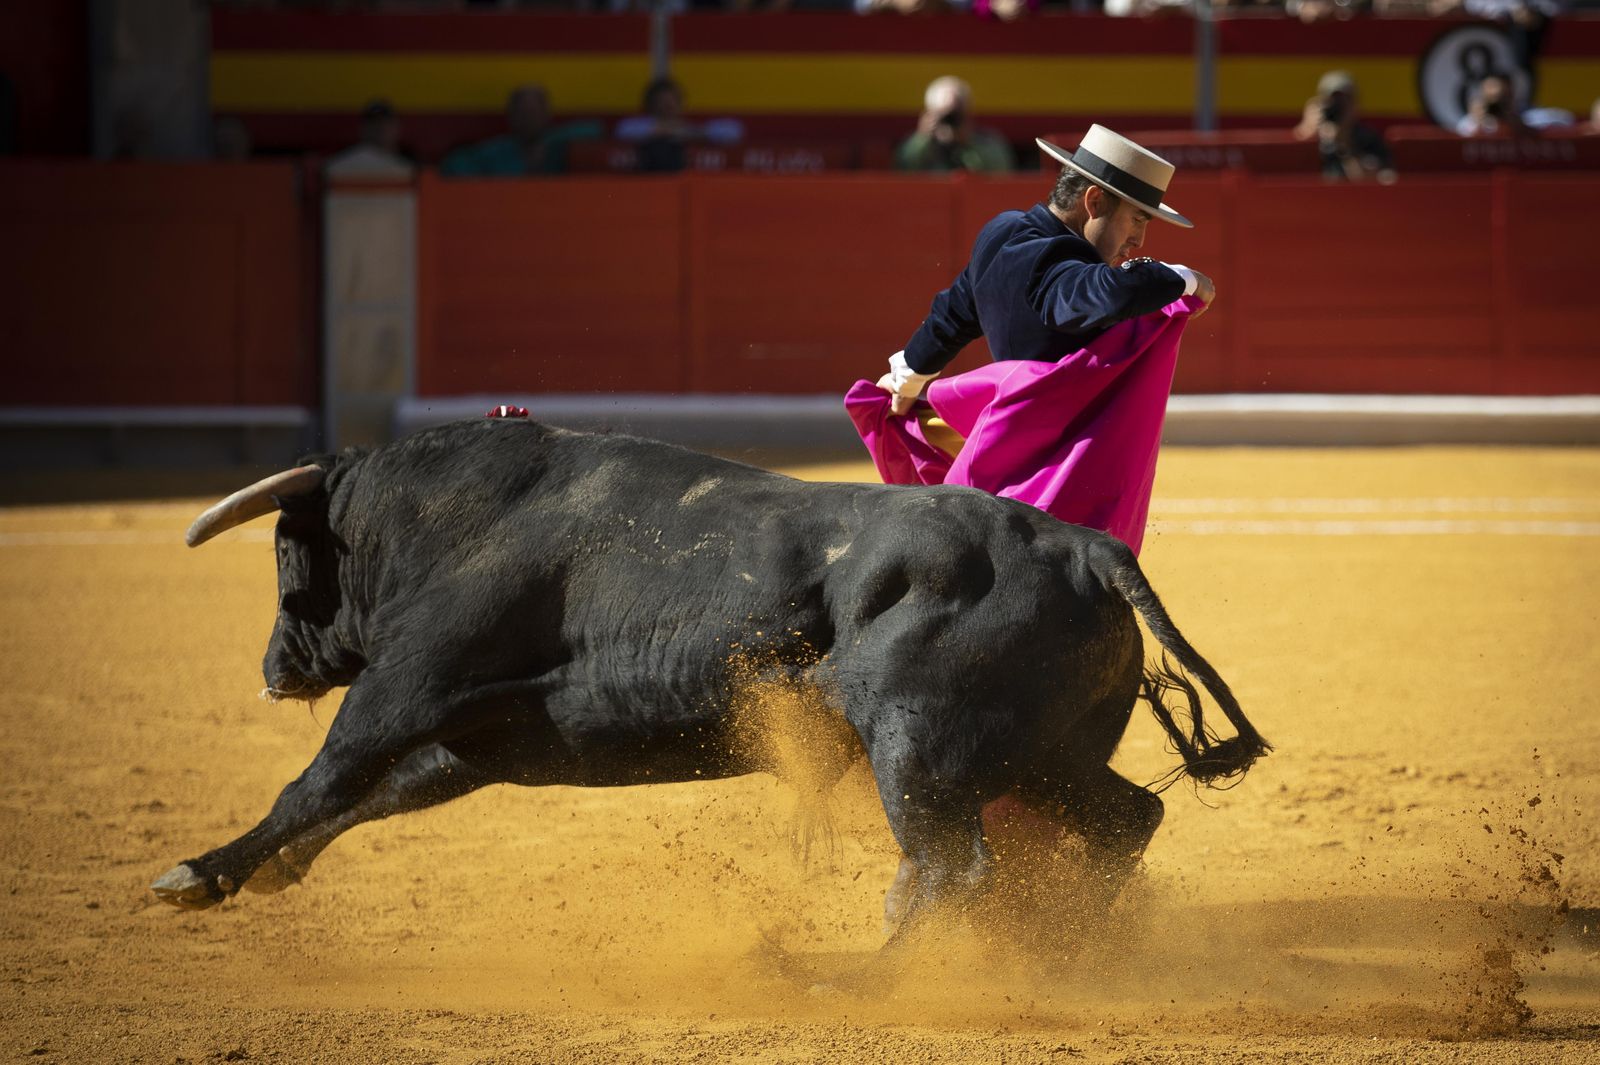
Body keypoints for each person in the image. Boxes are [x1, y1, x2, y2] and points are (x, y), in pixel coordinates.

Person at [848, 125, 1213, 555]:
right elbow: (1098, 294)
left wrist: (908, 376)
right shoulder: (1061, 263)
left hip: (998, 458)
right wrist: (1184, 278)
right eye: (1136, 219)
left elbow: (954, 311)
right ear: (1094, 201)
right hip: (1055, 483)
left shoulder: (1001, 232)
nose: (1138, 241)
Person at [440, 84, 602, 178]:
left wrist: (547, 145)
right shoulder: (497, 151)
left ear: (547, 114)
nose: (528, 119)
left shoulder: (561, 145)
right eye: (521, 113)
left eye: (533, 112)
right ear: (510, 115)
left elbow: (596, 130)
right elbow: (452, 165)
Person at [613, 76, 743, 173]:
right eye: (662, 101)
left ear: (680, 103)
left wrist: (694, 133)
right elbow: (623, 130)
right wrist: (667, 131)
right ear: (651, 104)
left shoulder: (690, 128)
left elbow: (734, 130)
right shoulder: (640, 126)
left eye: (672, 100)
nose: (668, 105)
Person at [1293, 70, 1396, 184]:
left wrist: (1344, 145)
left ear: (1355, 104)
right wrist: (1306, 129)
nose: (1336, 107)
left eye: (1343, 101)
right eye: (1331, 100)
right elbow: (1290, 170)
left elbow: (1369, 180)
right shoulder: (1312, 134)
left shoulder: (1369, 139)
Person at [895, 76, 1015, 173]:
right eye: (944, 114)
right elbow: (905, 167)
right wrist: (923, 138)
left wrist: (968, 141)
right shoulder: (918, 145)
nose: (950, 120)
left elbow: (1001, 171)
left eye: (956, 114)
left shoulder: (988, 142)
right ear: (930, 113)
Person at [325, 98, 413, 179]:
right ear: (362, 129)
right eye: (373, 123)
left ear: (397, 126)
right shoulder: (344, 162)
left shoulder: (411, 163)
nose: (380, 127)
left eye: (385, 122)